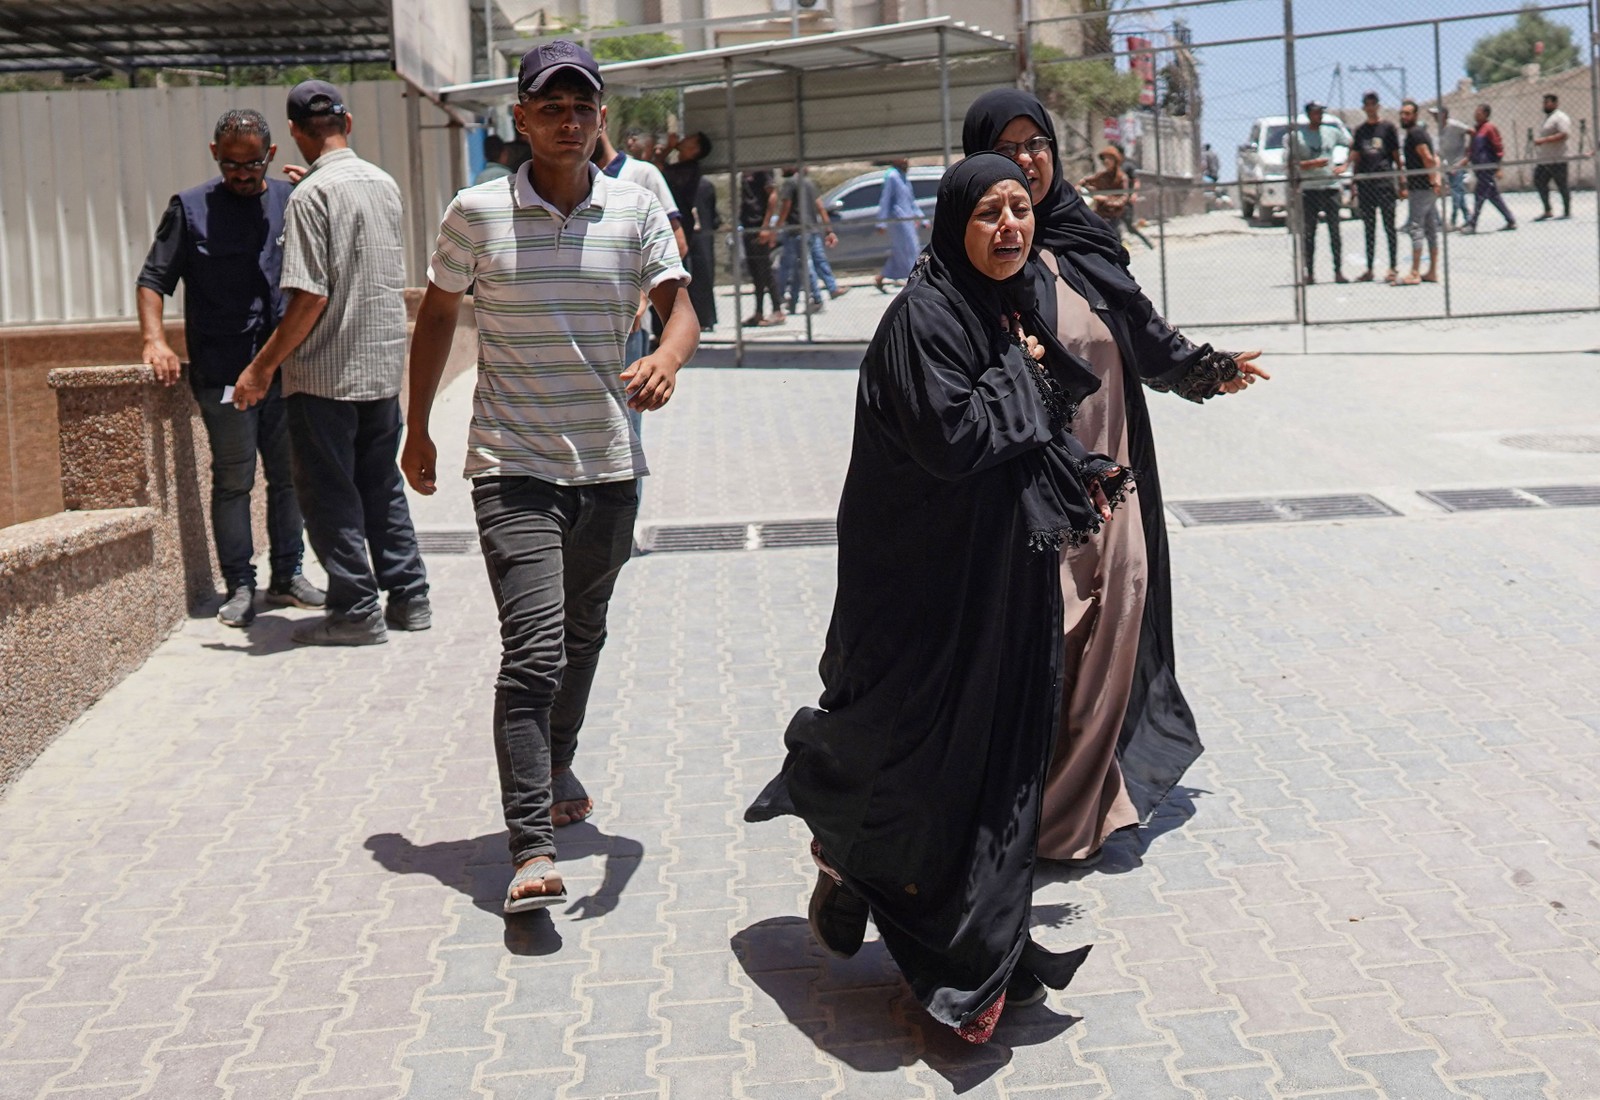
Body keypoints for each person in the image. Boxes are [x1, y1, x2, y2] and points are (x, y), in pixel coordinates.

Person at [746, 152, 1131, 1043]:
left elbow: (1030, 433)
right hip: (922, 591)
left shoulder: (1004, 307)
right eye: (989, 213)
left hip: (1002, 580)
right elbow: (957, 438)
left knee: (998, 766)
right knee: (922, 764)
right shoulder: (923, 319)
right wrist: (1028, 377)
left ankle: (974, 969)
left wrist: (1082, 474)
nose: (1010, 227)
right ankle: (880, 884)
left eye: (1019, 210)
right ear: (953, 224)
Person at [401, 41, 695, 914]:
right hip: (511, 465)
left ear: (602, 119)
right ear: (520, 119)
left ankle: (557, 756)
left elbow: (682, 309)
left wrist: (670, 360)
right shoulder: (476, 213)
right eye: (550, 107)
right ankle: (530, 847)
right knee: (533, 650)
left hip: (608, 466)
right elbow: (438, 319)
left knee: (584, 636)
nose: (568, 121)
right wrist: (416, 427)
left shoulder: (636, 208)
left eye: (583, 107)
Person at [964, 87, 1268, 866]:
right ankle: (1011, 804)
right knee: (1047, 635)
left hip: (1116, 473)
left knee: (1112, 630)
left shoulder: (1080, 236)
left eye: (1038, 144)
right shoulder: (974, 260)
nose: (1028, 159)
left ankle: (1073, 811)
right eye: (1009, 145)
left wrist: (1206, 368)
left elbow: (1142, 332)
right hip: (1028, 485)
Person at [231, 80, 430, 646]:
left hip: (325, 377)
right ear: (349, 122)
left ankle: (356, 609)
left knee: (328, 492)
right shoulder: (382, 184)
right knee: (380, 483)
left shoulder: (311, 198)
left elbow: (309, 297)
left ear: (294, 133)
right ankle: (410, 596)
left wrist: (261, 367)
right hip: (381, 367)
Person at [136, 108, 324, 628]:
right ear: (215, 155)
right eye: (231, 163)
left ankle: (288, 575)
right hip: (223, 371)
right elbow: (153, 279)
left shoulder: (293, 201)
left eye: (252, 163)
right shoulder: (190, 208)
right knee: (235, 477)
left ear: (271, 155)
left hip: (287, 369)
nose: (242, 173)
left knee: (289, 477)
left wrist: (317, 192)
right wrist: (155, 340)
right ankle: (239, 585)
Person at [1287, 100, 1347, 283]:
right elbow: (1291, 164)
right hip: (1310, 188)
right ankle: (1310, 272)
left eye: (1321, 112)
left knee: (1335, 231)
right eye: (1315, 113)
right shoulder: (1298, 137)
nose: (1319, 116)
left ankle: (1338, 271)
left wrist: (1345, 164)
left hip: (1330, 186)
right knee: (1309, 232)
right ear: (1308, 114)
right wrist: (1312, 164)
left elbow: (1351, 145)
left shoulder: (1332, 132)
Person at [773, 166, 845, 313]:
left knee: (801, 266)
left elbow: (785, 207)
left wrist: (776, 229)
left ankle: (816, 299)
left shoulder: (790, 184)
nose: (780, 169)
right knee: (807, 264)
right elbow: (820, 207)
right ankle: (795, 301)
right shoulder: (809, 183)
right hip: (812, 230)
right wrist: (828, 230)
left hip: (796, 231)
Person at [1351, 91, 1402, 283]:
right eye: (1367, 104)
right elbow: (1356, 157)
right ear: (1364, 107)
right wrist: (1354, 182)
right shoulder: (1360, 131)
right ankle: (1370, 268)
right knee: (1369, 227)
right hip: (1366, 184)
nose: (1370, 107)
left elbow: (1396, 155)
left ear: (1378, 106)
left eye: (1373, 103)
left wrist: (1401, 181)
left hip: (1384, 182)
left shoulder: (1388, 128)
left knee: (1389, 226)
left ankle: (1393, 267)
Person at [1397, 99, 1441, 285]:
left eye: (1407, 114)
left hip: (1421, 189)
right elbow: (1434, 159)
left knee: (1416, 228)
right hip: (1426, 188)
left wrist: (1432, 181)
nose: (1403, 117)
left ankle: (1415, 272)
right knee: (1431, 229)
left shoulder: (1415, 134)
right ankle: (1431, 271)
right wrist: (1435, 182)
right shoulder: (1419, 133)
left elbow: (1429, 159)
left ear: (1415, 115)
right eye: (1402, 113)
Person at [739, 169, 784, 325]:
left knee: (765, 271)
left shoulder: (763, 169)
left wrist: (766, 227)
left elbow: (773, 196)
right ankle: (758, 312)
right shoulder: (744, 171)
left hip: (759, 227)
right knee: (756, 274)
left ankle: (777, 310)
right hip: (747, 227)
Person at [1463, 103, 1516, 234]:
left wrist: (1498, 167)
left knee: (1479, 195)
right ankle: (1510, 220)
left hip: (1487, 167)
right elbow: (1472, 149)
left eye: (1479, 113)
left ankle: (1472, 224)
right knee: (1493, 196)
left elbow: (1498, 147)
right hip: (1478, 168)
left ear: (1486, 114)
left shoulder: (1489, 128)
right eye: (1476, 112)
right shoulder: (1476, 129)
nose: (1476, 115)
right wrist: (1467, 159)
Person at [873, 156, 923, 293]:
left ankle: (880, 277)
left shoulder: (903, 176)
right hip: (897, 220)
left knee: (902, 250)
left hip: (908, 219)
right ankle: (913, 282)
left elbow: (910, 200)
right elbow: (885, 199)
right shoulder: (892, 176)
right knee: (909, 249)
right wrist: (881, 222)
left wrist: (920, 217)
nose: (906, 161)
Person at [1428, 106, 1473, 228]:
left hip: (1458, 163)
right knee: (1458, 193)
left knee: (1456, 193)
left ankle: (1454, 221)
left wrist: (1468, 154)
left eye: (1436, 114)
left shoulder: (1454, 125)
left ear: (1444, 114)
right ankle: (1467, 219)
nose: (1434, 117)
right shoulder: (1440, 129)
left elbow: (1472, 132)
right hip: (1448, 165)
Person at [1533, 93, 1572, 221]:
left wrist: (1544, 140)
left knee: (1562, 185)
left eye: (1547, 102)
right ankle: (1547, 210)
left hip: (1558, 158)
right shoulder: (1548, 118)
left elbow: (1564, 134)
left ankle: (1567, 211)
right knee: (1539, 181)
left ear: (1555, 103)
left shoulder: (1560, 117)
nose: (1544, 105)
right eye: (1544, 102)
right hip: (1545, 159)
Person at [688, 175, 719, 331]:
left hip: (700, 238)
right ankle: (703, 319)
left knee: (701, 277)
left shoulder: (703, 186)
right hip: (701, 237)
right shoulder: (705, 185)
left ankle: (704, 319)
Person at [1079, 146, 1132, 227]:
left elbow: (1123, 198)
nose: (1106, 161)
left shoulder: (1121, 177)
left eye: (1109, 158)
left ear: (1115, 161)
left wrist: (1106, 199)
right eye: (1104, 159)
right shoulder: (1101, 176)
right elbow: (1086, 181)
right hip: (1100, 213)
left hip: (1114, 214)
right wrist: (1080, 186)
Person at [1116, 148, 1155, 249]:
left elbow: (1136, 181)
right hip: (1116, 200)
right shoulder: (1115, 167)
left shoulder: (1127, 166)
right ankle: (1119, 247)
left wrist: (1134, 194)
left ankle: (1147, 242)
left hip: (1127, 200)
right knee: (1115, 224)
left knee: (1129, 226)